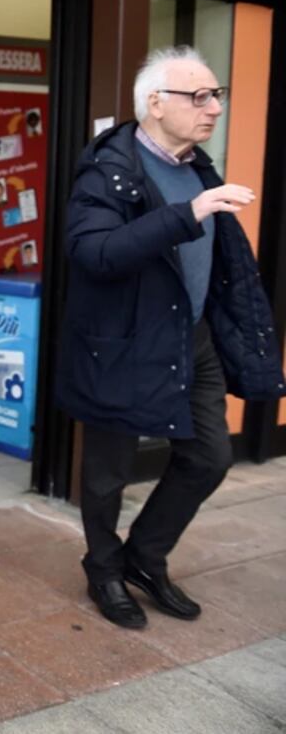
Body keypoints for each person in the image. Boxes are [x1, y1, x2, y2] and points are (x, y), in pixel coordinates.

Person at [57, 46, 285, 630]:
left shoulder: (197, 165)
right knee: (108, 474)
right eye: (199, 96)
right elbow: (94, 252)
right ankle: (104, 568)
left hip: (192, 338)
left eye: (218, 95)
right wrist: (191, 211)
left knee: (210, 456)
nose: (213, 108)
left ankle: (144, 557)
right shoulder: (107, 168)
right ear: (155, 104)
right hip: (122, 343)